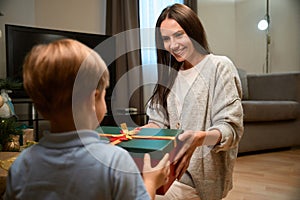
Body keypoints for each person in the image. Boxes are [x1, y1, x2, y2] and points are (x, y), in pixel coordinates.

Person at [3, 39, 170, 200]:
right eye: (104, 94)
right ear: (93, 99)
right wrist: (151, 182)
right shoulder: (116, 162)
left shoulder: (21, 165)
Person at [142, 3, 244, 200]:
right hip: (166, 173)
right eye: (165, 39)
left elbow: (230, 130)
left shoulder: (219, 67)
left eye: (179, 35)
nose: (173, 45)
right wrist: (132, 137)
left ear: (194, 33)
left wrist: (199, 138)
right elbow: (158, 122)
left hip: (198, 181)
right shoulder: (168, 74)